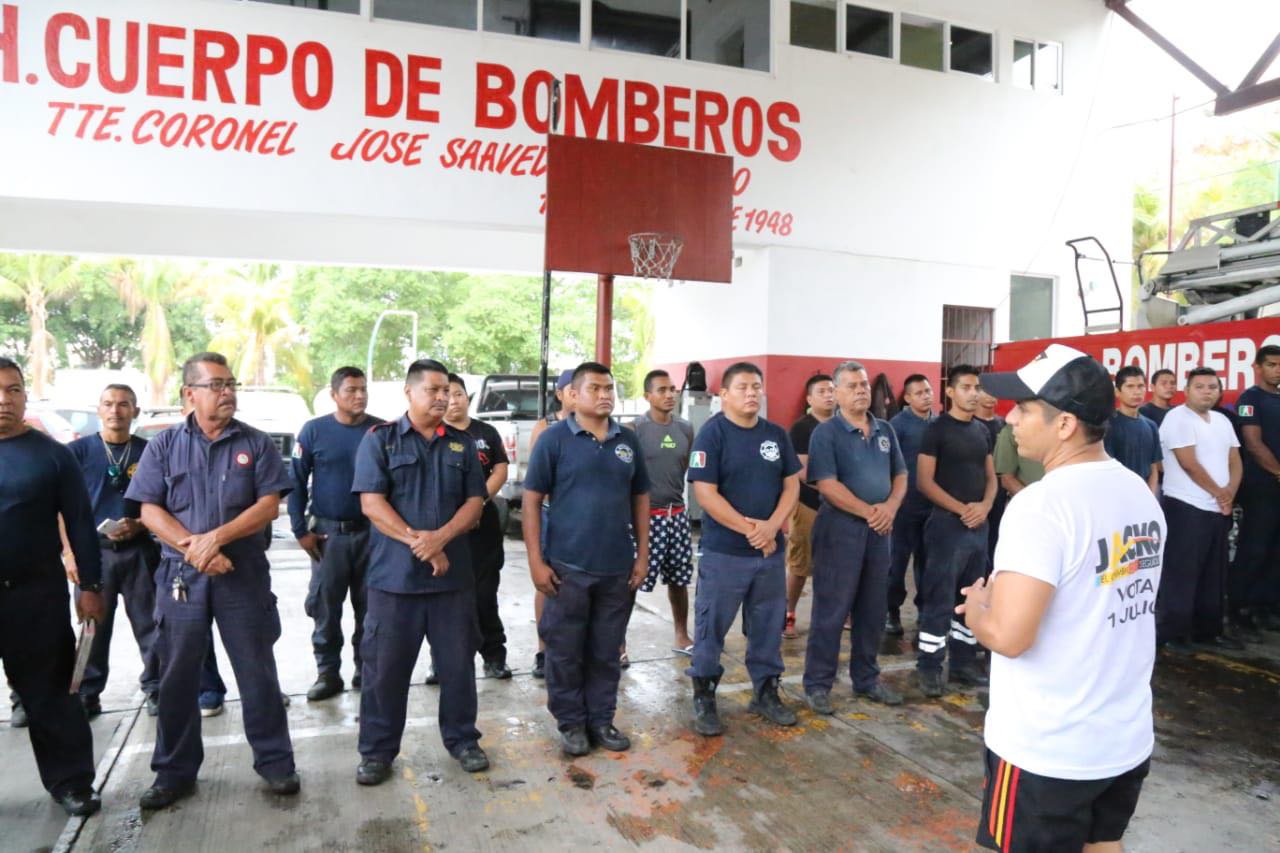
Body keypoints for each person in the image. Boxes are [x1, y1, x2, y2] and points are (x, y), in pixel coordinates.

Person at [962, 343, 1164, 853]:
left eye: (1025, 408)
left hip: (1048, 750)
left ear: (1066, 424)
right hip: (1122, 736)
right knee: (1102, 844)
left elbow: (1010, 637)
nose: (1010, 418)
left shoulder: (1042, 506)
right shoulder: (1138, 492)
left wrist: (979, 608)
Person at [126, 352, 298, 809]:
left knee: (257, 672)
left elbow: (268, 505)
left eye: (231, 384)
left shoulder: (256, 443)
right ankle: (173, 773)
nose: (228, 393)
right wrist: (195, 550)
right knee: (178, 676)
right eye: (217, 385)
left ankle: (276, 764)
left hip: (241, 574)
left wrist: (215, 541)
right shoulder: (163, 446)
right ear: (190, 393)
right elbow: (148, 510)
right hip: (182, 577)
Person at [350, 359, 489, 785]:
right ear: (409, 393)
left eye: (447, 390)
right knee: (384, 672)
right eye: (433, 390)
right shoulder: (381, 441)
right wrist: (421, 543)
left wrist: (440, 539)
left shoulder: (463, 445)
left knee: (458, 667)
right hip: (394, 582)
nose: (443, 398)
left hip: (452, 582)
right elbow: (372, 505)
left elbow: (474, 503)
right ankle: (377, 752)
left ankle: (463, 740)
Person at [523, 362, 650, 757]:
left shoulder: (627, 440)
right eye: (594, 388)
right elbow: (530, 501)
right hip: (567, 567)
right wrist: (535, 561)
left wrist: (641, 556)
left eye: (609, 388)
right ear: (572, 395)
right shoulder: (554, 439)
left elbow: (640, 498)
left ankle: (601, 719)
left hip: (616, 568)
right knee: (565, 649)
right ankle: (571, 723)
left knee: (605, 649)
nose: (605, 395)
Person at [0, 357, 105, 817]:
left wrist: (90, 584)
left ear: (25, 396)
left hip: (34, 596)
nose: (4, 399)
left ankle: (72, 782)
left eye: (13, 389)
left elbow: (81, 524)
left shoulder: (51, 454)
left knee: (52, 696)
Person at [686, 362, 801, 736]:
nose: (752, 393)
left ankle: (766, 692)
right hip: (725, 554)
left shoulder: (775, 435)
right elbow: (705, 493)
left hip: (768, 554)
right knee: (710, 628)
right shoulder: (712, 434)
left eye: (756, 387)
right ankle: (704, 695)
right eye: (742, 387)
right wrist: (751, 529)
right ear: (724, 395)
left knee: (768, 626)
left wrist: (772, 527)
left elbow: (791, 485)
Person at [802, 361, 907, 713]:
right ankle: (818, 684)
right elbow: (827, 485)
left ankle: (867, 679)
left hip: (880, 531)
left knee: (873, 608)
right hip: (840, 529)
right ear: (837, 393)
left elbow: (901, 475)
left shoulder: (885, 431)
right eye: (852, 385)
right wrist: (870, 512)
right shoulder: (826, 434)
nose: (862, 389)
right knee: (832, 608)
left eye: (863, 384)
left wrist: (890, 508)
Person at [65, 384, 161, 719]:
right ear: (98, 409)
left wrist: (140, 525)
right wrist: (69, 554)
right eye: (108, 404)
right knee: (93, 627)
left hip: (139, 550)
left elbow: (162, 501)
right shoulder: (76, 452)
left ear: (135, 410)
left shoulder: (149, 451)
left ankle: (157, 688)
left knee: (152, 624)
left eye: (124, 404)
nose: (115, 411)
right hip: (94, 555)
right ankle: (88, 692)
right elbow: (61, 508)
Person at [289, 367, 383, 701]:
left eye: (363, 390)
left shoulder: (379, 431)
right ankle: (328, 673)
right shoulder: (314, 431)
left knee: (371, 609)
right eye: (351, 390)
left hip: (372, 536)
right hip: (328, 537)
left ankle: (365, 670)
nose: (359, 396)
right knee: (325, 609)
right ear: (334, 395)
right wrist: (301, 531)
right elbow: (296, 483)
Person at [914, 364, 996, 697]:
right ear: (950, 391)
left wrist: (986, 507)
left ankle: (963, 663)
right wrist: (962, 509)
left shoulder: (982, 431)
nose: (973, 393)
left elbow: (991, 477)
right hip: (947, 526)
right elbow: (924, 482)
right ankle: (930, 667)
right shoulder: (936, 430)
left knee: (972, 595)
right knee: (939, 596)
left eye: (976, 387)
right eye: (966, 387)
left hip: (979, 526)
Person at [1155, 367, 1243, 652]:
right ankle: (1174, 633)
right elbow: (1188, 463)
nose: (1207, 392)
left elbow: (1235, 460)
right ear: (1187, 390)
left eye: (1212, 387)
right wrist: (1220, 493)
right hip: (1186, 506)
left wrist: (1229, 492)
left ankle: (1209, 630)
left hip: (1218, 508)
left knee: (1214, 574)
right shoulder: (1177, 418)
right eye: (1200, 387)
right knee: (1182, 573)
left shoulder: (1221, 421)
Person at [444, 372, 512, 679]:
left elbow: (500, 468)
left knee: (485, 594)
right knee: (447, 598)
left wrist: (478, 501)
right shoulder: (434, 433)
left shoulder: (486, 431)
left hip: (483, 526)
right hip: (446, 528)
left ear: (467, 397)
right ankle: (442, 661)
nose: (452, 400)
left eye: (458, 393)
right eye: (446, 393)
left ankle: (494, 655)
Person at [625, 369, 696, 654]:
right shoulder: (634, 430)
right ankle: (619, 641)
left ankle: (681, 635)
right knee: (631, 581)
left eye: (673, 389)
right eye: (662, 390)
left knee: (679, 580)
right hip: (645, 518)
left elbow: (684, 467)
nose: (669, 395)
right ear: (647, 396)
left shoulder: (686, 429)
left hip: (676, 515)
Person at [527, 368, 576, 679]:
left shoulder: (605, 428)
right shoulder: (546, 427)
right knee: (547, 582)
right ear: (560, 393)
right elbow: (536, 480)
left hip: (586, 522)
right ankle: (544, 650)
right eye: (572, 388)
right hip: (553, 514)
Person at [1230, 345, 1280, 639]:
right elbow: (1253, 443)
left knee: (1276, 550)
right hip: (1261, 487)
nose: (1278, 369)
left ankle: (1266, 605)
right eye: (1272, 364)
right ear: (1258, 367)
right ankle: (1240, 607)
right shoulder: (1249, 399)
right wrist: (1277, 472)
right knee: (1255, 547)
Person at [783, 374, 835, 639]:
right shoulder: (802, 428)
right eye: (822, 391)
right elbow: (802, 470)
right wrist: (834, 488)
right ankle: (787, 613)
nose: (829, 395)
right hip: (809, 505)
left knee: (837, 564)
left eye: (832, 390)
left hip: (841, 508)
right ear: (809, 399)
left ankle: (834, 614)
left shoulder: (844, 424)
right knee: (800, 564)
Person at [886, 374, 936, 637]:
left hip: (932, 506)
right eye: (919, 393)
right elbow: (891, 466)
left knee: (927, 564)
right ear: (907, 398)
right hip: (904, 507)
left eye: (928, 391)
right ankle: (891, 611)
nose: (926, 396)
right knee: (896, 563)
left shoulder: (939, 424)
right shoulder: (897, 426)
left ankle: (925, 611)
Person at [1103, 366, 1162, 494]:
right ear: (1117, 392)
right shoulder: (1107, 425)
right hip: (1116, 495)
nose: (1137, 392)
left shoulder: (1151, 426)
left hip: (1145, 496)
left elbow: (1153, 467)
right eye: (1130, 386)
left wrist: (1150, 497)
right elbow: (1106, 470)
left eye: (1140, 386)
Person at [975, 387, 1006, 563]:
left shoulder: (1003, 424)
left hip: (1000, 490)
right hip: (977, 491)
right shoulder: (971, 423)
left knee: (995, 536)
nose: (990, 397)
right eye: (985, 392)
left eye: (993, 392)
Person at [994, 422, 1043, 498]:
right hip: (1030, 502)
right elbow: (1006, 479)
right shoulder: (1011, 431)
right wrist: (1033, 501)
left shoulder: (1063, 429)